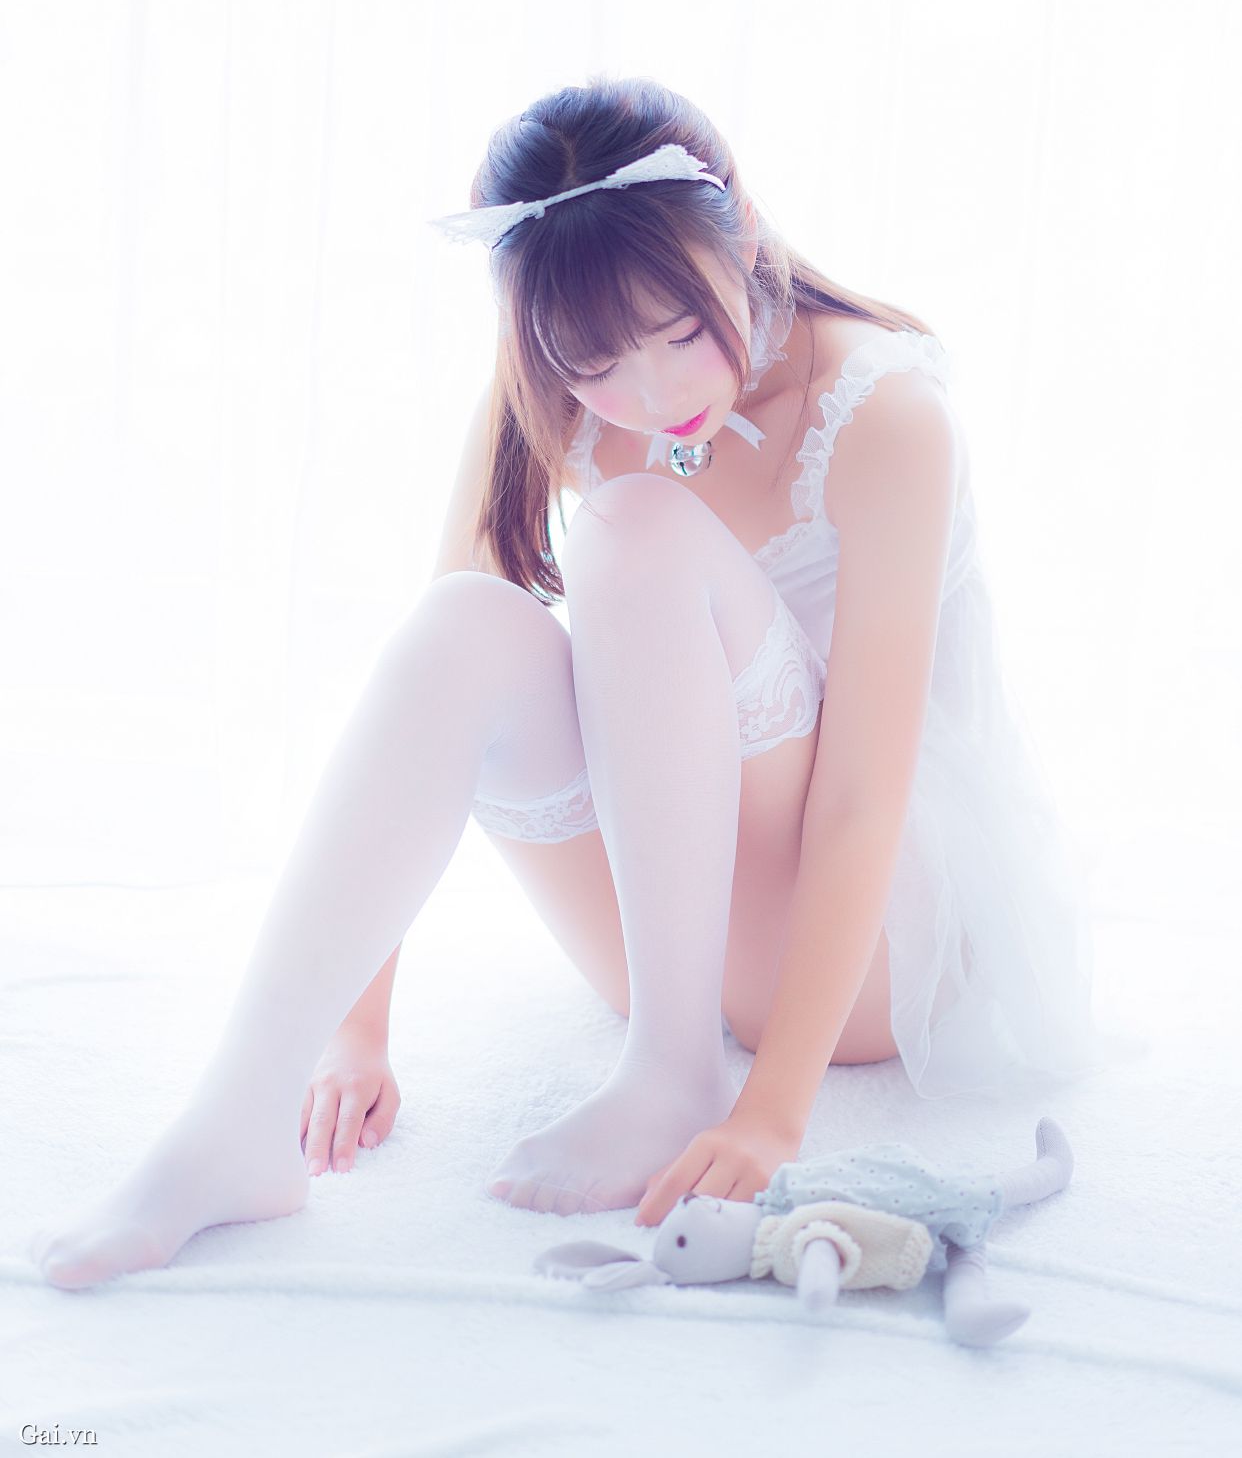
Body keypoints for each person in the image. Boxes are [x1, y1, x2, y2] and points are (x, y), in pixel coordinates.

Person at [29, 74, 1117, 1288]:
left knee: (637, 528)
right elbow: (431, 694)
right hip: (672, 941)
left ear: (743, 236)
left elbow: (868, 791)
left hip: (869, 954)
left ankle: (673, 1074)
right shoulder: (549, 387)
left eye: (680, 334)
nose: (653, 397)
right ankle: (235, 1117)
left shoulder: (885, 413)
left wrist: (771, 1111)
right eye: (597, 364)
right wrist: (358, 1026)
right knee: (466, 619)